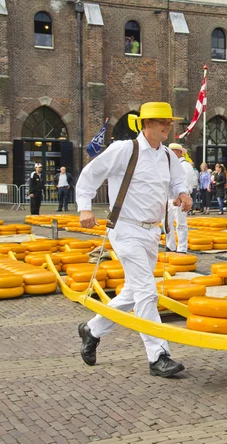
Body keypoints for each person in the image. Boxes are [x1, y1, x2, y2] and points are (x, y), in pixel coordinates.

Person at [76, 101, 192, 378]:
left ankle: (92, 330)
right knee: (146, 292)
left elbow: (178, 182)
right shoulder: (124, 149)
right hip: (125, 230)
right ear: (147, 124)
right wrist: (84, 206)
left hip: (152, 232)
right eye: (163, 122)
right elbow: (90, 175)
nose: (168, 126)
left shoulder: (167, 156)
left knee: (132, 292)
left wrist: (183, 193)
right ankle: (158, 355)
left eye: (170, 121)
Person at [164, 143, 195, 253]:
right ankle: (170, 244)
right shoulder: (173, 165)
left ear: (179, 152)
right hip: (169, 197)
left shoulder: (185, 165)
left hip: (180, 198)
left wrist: (180, 196)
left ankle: (182, 247)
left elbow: (184, 183)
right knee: (167, 222)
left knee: (180, 223)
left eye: (172, 151)